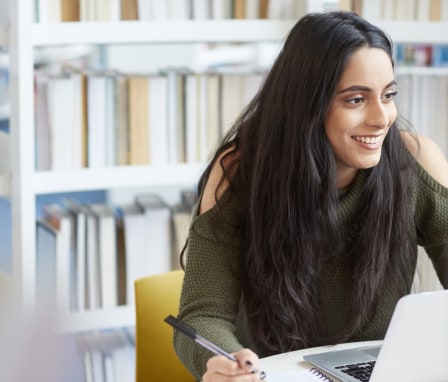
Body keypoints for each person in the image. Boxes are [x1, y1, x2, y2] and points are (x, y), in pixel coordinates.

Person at [173, 10, 448, 381]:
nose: (382, 117)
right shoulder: (239, 171)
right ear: (308, 103)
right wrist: (220, 362)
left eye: (389, 95)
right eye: (355, 100)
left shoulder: (417, 160)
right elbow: (203, 314)